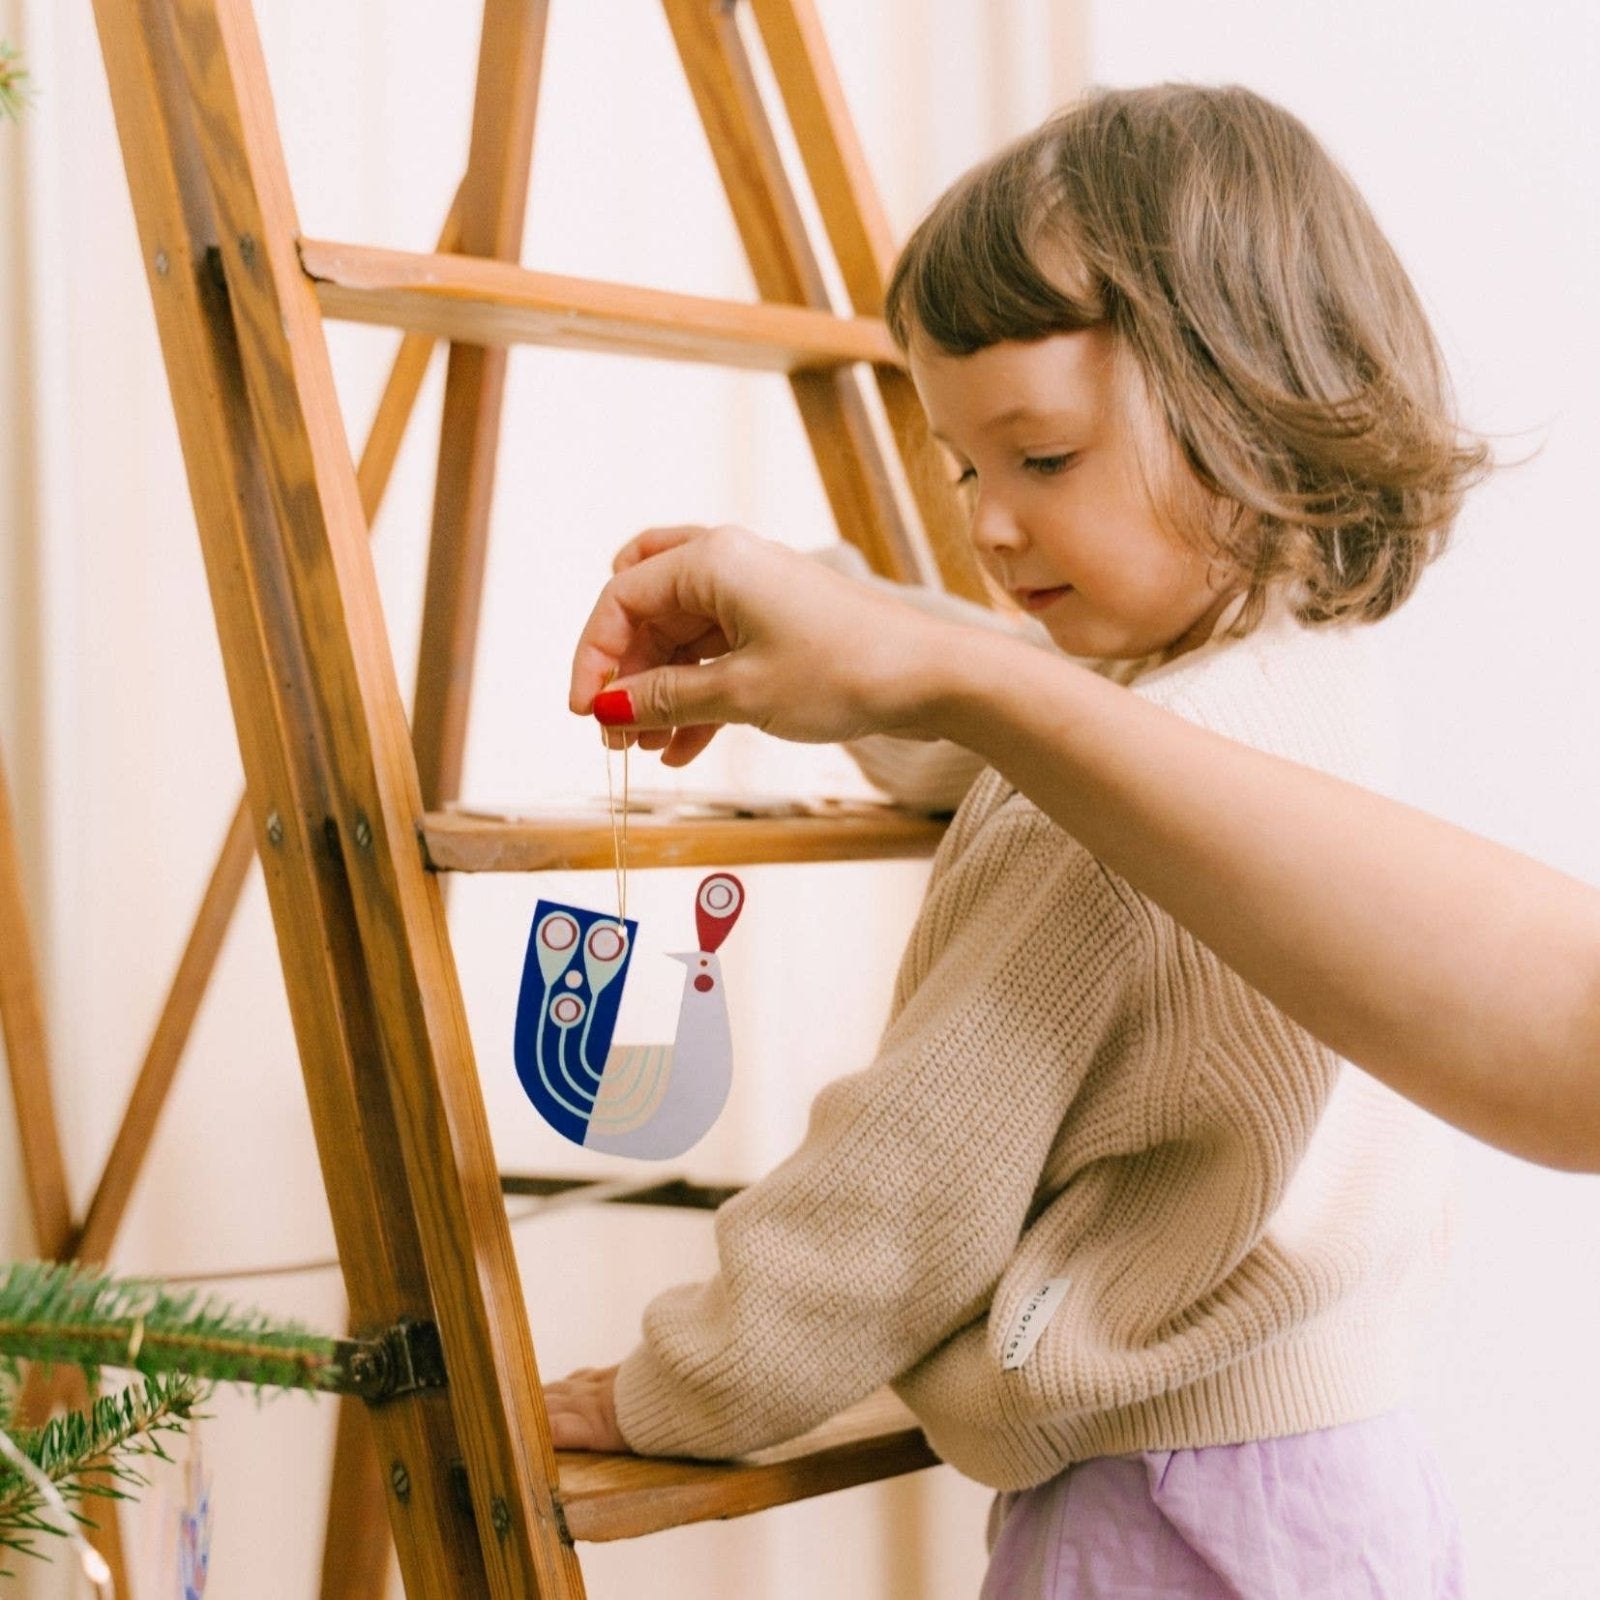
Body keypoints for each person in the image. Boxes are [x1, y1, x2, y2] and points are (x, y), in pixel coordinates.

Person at [549, 85, 1481, 1596]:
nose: (986, 524)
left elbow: (906, 1187)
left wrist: (682, 1391)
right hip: (1344, 1491)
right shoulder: (1288, 681)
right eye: (963, 467)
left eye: (1040, 460)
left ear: (1249, 402)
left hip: (1162, 1522)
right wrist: (831, 608)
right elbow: (1034, 712)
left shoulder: (1105, 819)